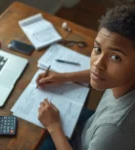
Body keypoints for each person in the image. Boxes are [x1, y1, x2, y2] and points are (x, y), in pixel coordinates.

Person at [36, 4, 135, 150]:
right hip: (89, 126)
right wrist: (63, 77)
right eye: (98, 49)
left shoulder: (114, 131)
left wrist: (53, 127)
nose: (97, 64)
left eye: (115, 57)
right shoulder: (118, 79)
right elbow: (96, 72)